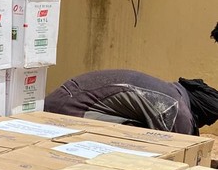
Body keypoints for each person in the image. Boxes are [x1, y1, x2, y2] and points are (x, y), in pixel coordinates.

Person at [44, 69, 218, 136]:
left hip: (62, 99)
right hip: (66, 113)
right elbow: (184, 151)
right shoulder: (176, 109)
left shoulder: (170, 91)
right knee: (141, 140)